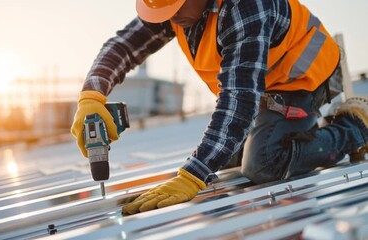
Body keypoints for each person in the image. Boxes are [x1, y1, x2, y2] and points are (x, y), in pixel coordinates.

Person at [71, 0, 368, 215]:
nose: (170, 19)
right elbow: (123, 46)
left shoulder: (246, 7)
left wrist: (193, 175)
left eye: (174, 9)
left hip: (304, 77)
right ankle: (290, 133)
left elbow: (239, 98)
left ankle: (355, 127)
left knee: (262, 164)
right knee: (223, 160)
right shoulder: (175, 9)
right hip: (264, 82)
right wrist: (91, 95)